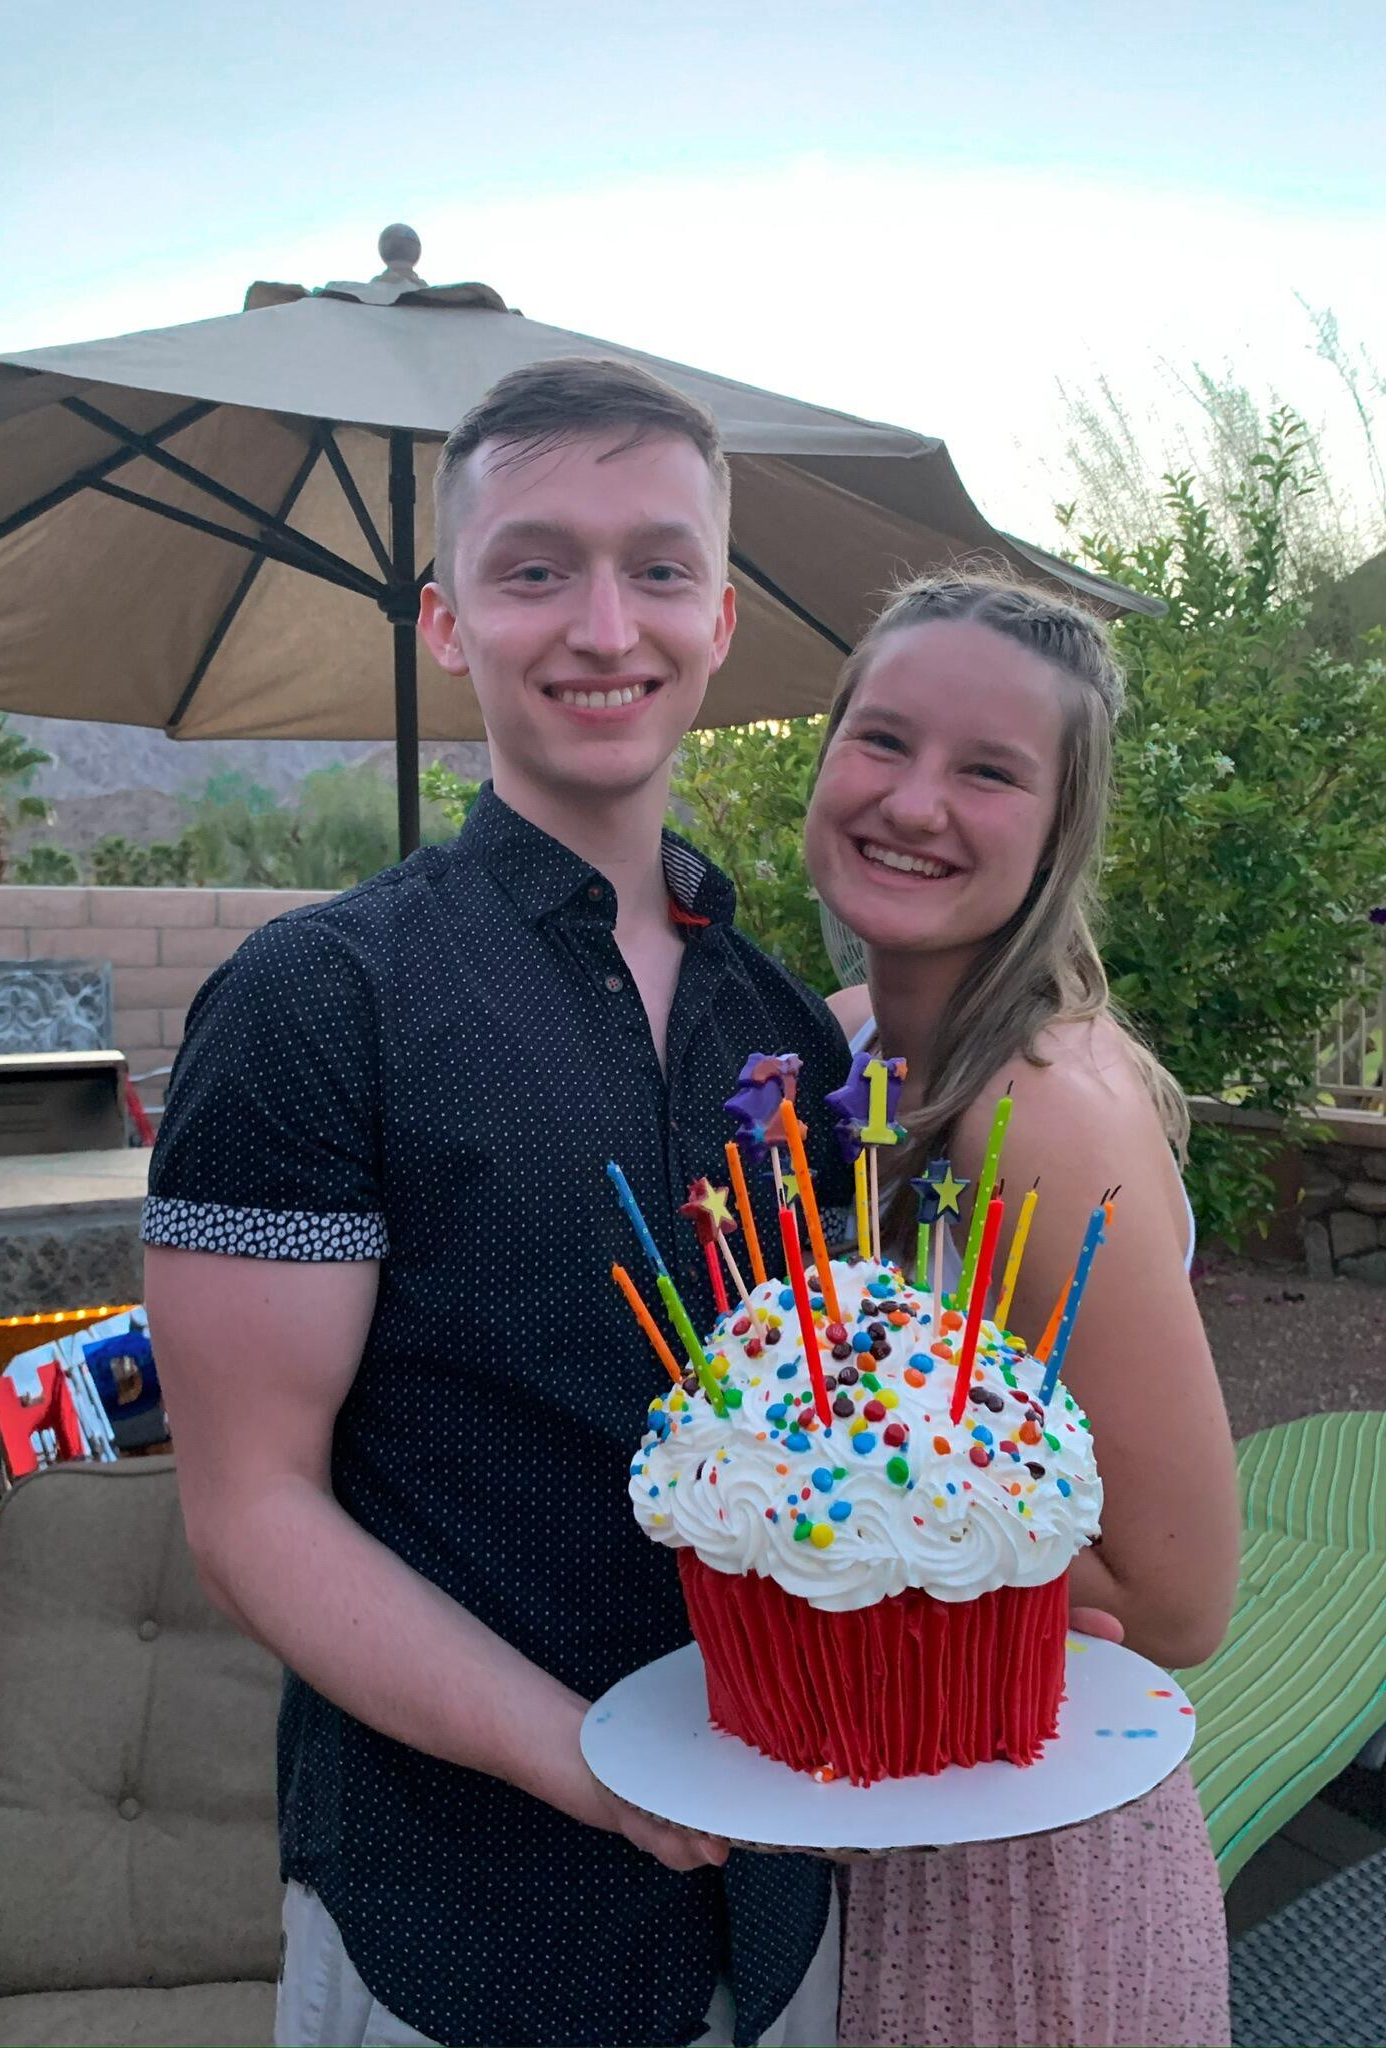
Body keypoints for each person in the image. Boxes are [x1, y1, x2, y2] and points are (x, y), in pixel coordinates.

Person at [141, 357, 850, 2048]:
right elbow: (250, 1509)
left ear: (719, 619)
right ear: (447, 622)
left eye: (658, 568)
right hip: (460, 1928)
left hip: (790, 1913)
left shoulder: (789, 1033)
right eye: (537, 569)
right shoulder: (320, 1003)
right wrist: (595, 1768)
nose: (605, 626)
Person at [804, 573, 1239, 2048]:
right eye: (883, 739)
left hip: (1013, 1864)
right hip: (873, 1793)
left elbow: (1180, 1599)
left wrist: (822, 1531)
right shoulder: (846, 1047)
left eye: (989, 771)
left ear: (1061, 829)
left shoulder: (1035, 1114)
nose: (914, 802)